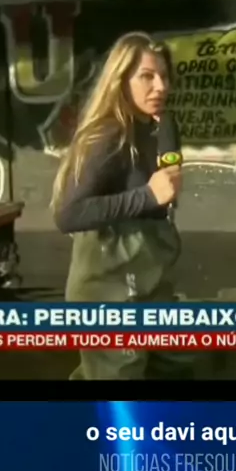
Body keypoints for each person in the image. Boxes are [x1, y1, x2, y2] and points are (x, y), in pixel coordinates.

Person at [51, 31, 193, 380]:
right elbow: (68, 214)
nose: (160, 86)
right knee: (118, 375)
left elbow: (165, 189)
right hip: (108, 283)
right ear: (120, 80)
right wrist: (148, 195)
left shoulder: (161, 125)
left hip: (150, 274)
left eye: (164, 76)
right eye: (146, 76)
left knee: (175, 359)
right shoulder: (107, 135)